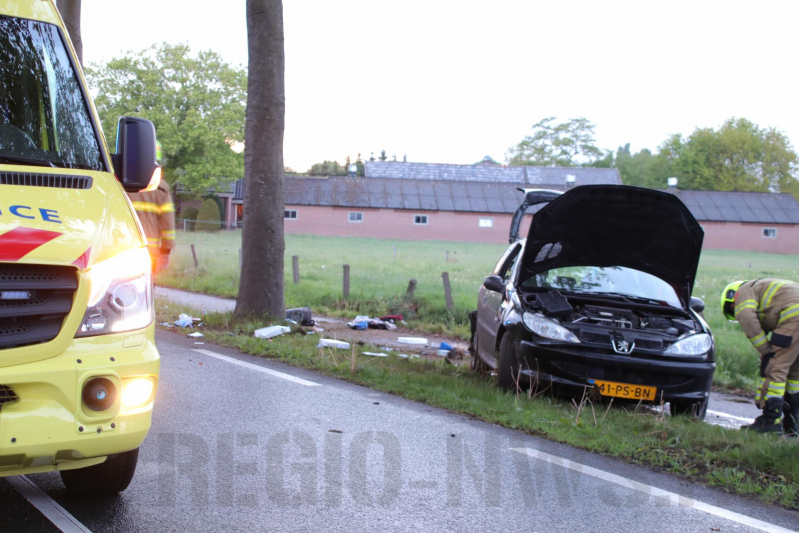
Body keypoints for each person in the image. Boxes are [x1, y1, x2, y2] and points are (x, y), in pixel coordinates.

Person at [721, 279, 799, 434]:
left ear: (731, 297)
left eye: (732, 308)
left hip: (793, 318)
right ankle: (793, 423)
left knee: (774, 368)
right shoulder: (765, 290)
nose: (734, 311)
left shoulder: (743, 291)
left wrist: (766, 350)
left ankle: (770, 422)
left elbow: (747, 317)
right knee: (795, 373)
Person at [127, 140, 175, 272]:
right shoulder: (161, 188)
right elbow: (168, 224)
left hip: (120, 251)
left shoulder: (117, 183)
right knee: (146, 289)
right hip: (149, 252)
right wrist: (165, 251)